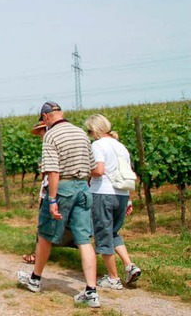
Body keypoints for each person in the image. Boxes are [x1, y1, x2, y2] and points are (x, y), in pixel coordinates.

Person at [17, 102, 101, 308]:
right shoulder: (81, 133)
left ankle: (35, 279)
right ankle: (91, 291)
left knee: (45, 234)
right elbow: (94, 167)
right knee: (84, 238)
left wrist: (53, 199)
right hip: (83, 187)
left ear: (45, 117)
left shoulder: (51, 136)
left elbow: (53, 171)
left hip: (62, 188)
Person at [85, 114, 142, 289]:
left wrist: (85, 169)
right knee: (113, 232)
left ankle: (113, 278)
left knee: (103, 235)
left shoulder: (98, 145)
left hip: (103, 193)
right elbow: (127, 174)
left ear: (95, 129)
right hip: (122, 194)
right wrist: (130, 200)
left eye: (89, 130)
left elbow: (99, 170)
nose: (89, 134)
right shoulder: (121, 147)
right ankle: (129, 265)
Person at [22, 121, 47, 264]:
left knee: (44, 225)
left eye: (40, 132)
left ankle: (38, 257)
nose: (39, 135)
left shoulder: (50, 145)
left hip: (51, 190)